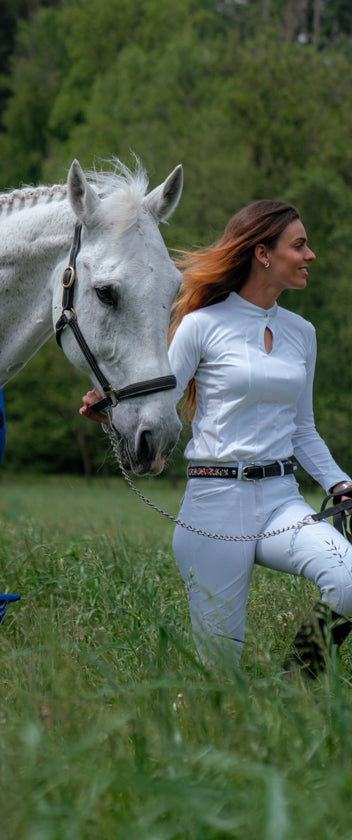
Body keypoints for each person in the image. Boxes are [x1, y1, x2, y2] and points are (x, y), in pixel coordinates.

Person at [81, 200, 352, 675]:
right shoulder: (200, 326)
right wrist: (111, 413)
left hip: (281, 501)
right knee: (219, 670)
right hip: (215, 503)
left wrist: (339, 484)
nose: (310, 256)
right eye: (300, 245)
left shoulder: (301, 332)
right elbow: (158, 406)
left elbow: (302, 427)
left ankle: (298, 681)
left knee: (349, 581)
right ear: (263, 253)